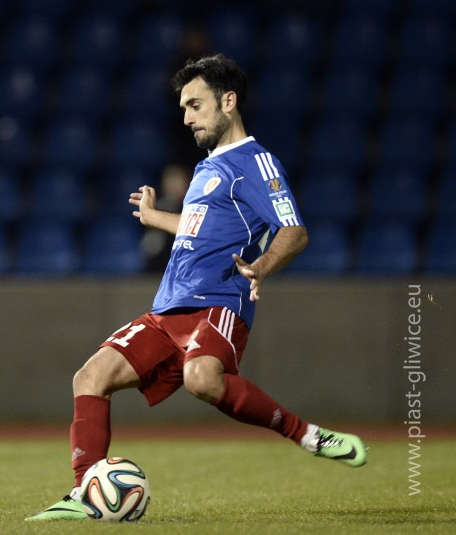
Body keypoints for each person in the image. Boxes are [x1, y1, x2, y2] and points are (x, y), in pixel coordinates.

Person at [26, 54, 367, 522]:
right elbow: (201, 228)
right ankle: (83, 491)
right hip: (169, 307)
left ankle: (308, 435)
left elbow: (294, 230)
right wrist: (156, 218)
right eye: (183, 108)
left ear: (228, 102)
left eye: (195, 105)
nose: (186, 118)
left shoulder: (256, 162)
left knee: (202, 379)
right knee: (89, 377)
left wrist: (262, 267)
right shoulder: (208, 167)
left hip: (218, 303)